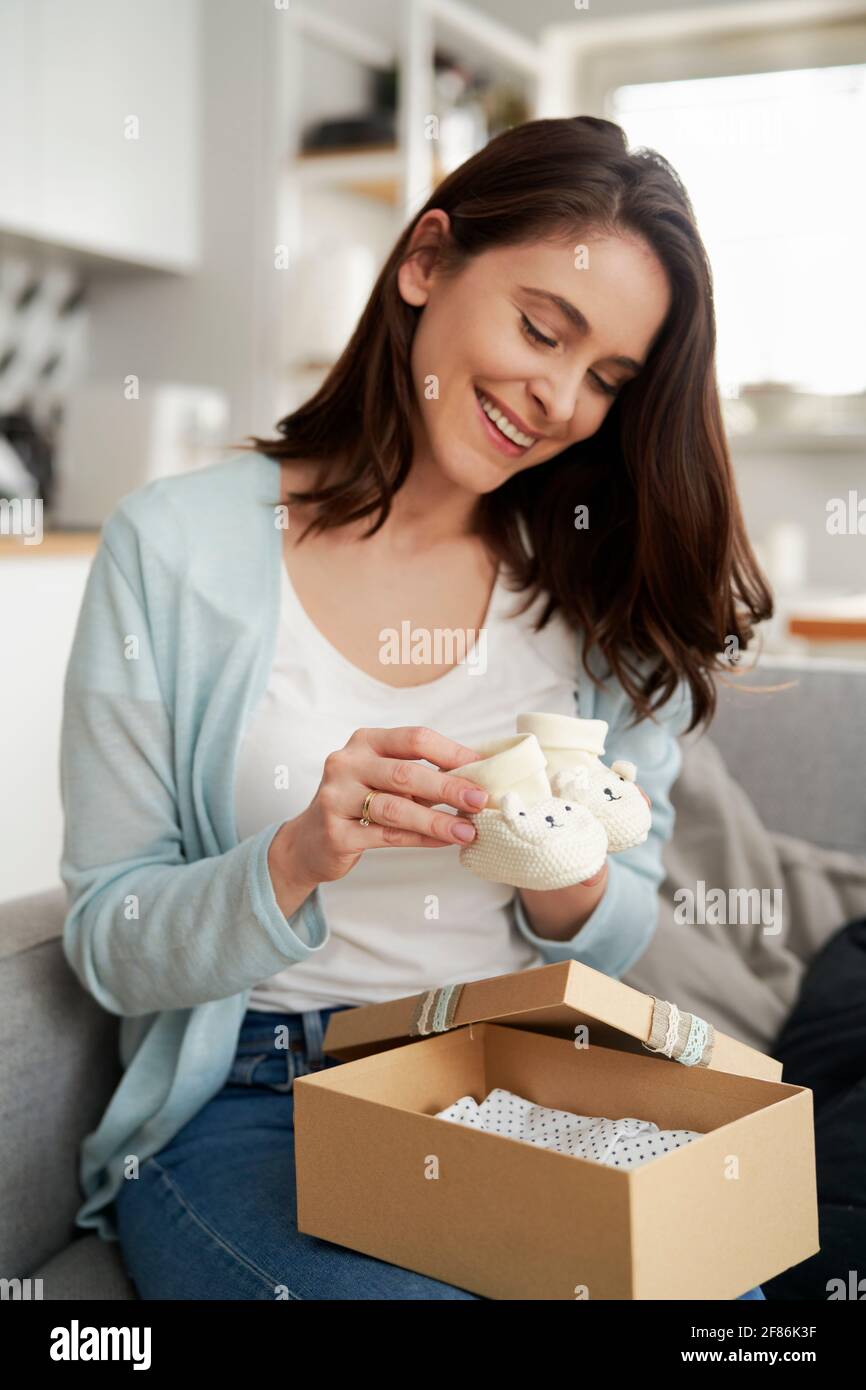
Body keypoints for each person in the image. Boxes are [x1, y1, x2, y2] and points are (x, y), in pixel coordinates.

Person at [59, 116, 772, 1300]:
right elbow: (108, 941)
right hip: (259, 1100)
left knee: (726, 1310)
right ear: (426, 259)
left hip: (520, 1080)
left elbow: (619, 925)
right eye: (542, 329)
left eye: (605, 379)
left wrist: (558, 862)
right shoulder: (171, 545)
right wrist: (294, 856)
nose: (555, 399)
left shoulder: (597, 579)